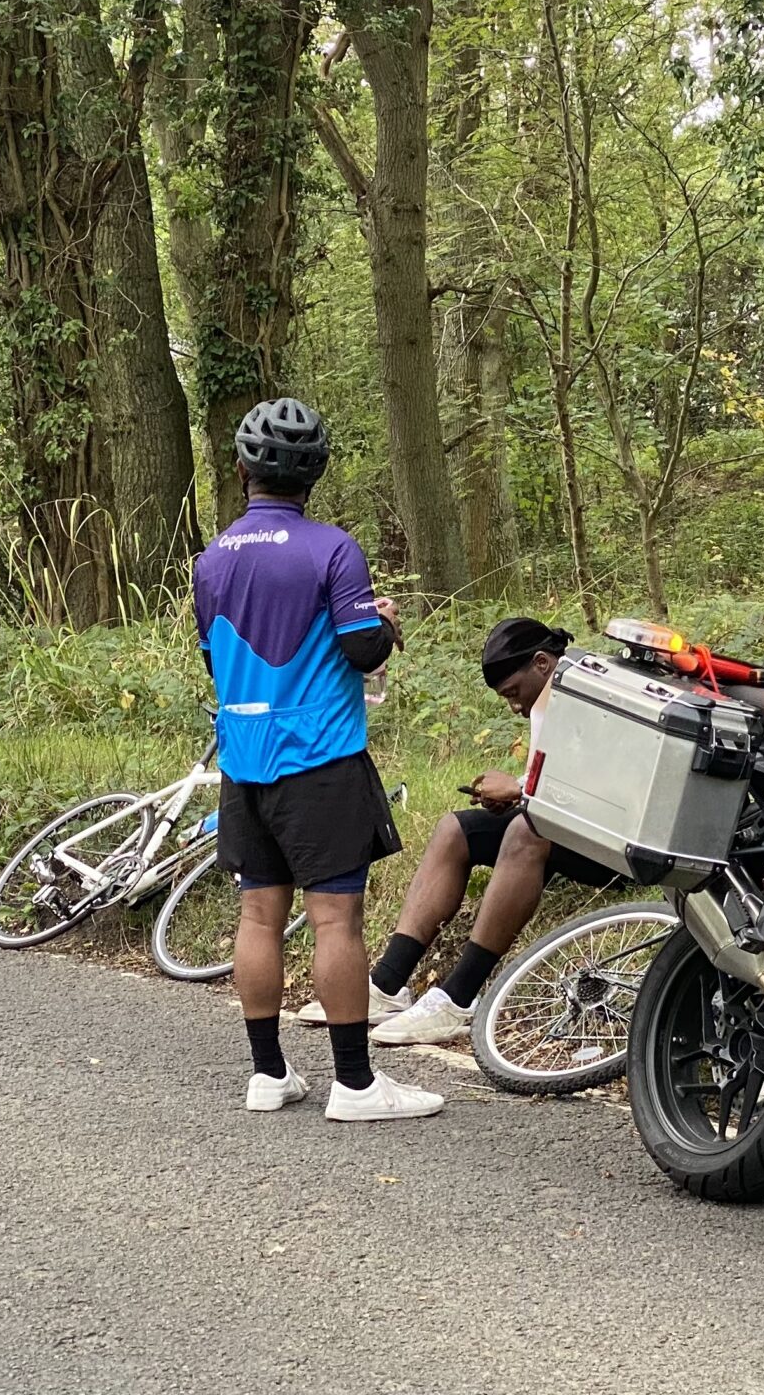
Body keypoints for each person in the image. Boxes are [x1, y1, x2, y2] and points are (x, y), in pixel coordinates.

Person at [193, 397, 444, 1123]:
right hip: (322, 758)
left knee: (259, 917)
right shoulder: (333, 548)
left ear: (242, 471)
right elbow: (360, 647)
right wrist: (388, 624)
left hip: (245, 761)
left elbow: (215, 657)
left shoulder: (210, 561)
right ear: (315, 475)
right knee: (336, 920)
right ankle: (357, 1086)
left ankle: (268, 1074)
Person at [295, 617, 625, 1047]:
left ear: (543, 663)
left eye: (513, 693)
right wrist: (515, 792)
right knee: (456, 830)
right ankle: (387, 984)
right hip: (560, 819)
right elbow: (554, 782)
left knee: (527, 832)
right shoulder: (550, 692)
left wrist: (521, 791)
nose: (513, 707)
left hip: (615, 843)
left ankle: (458, 999)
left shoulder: (593, 696)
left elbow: (605, 793)